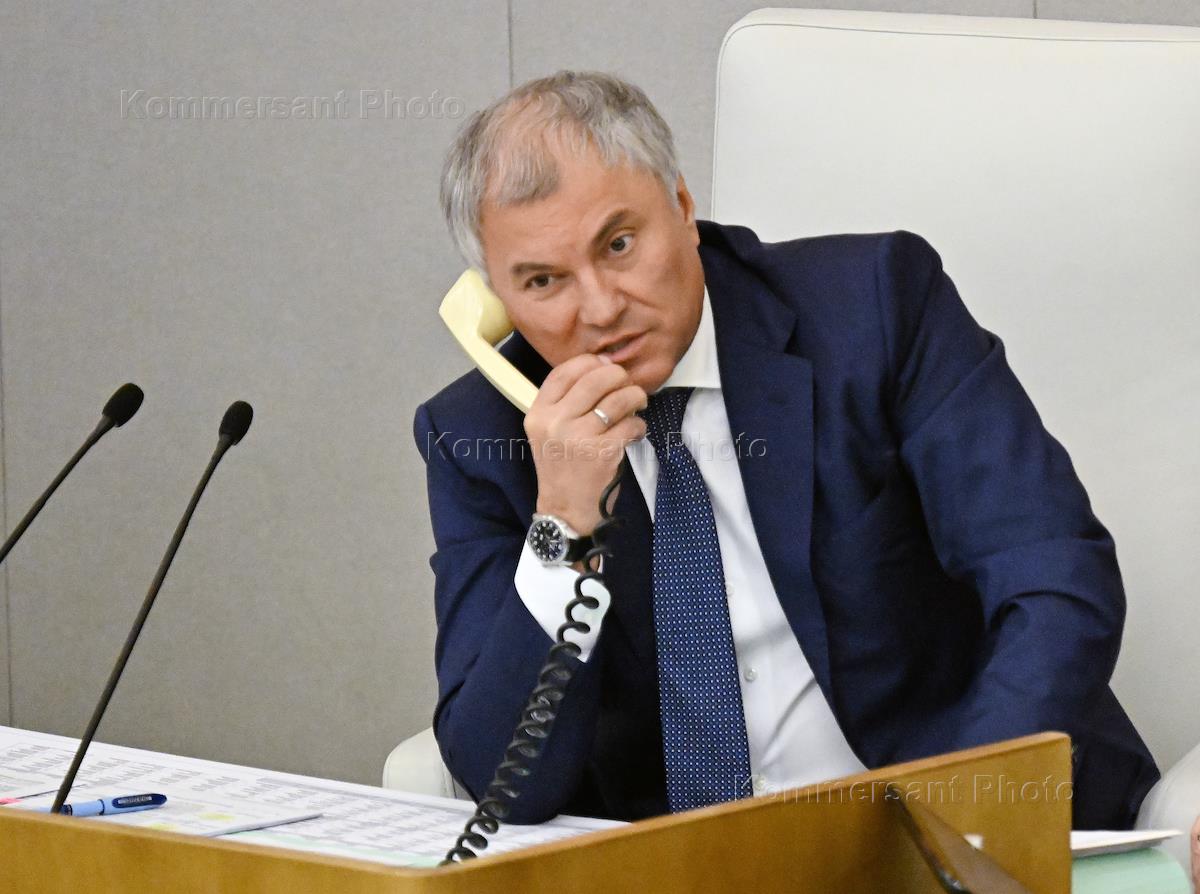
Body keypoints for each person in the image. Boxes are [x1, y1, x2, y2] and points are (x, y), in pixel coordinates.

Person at [415, 70, 1159, 829]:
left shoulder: (876, 307)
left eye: (620, 244)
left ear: (682, 206)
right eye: (544, 281)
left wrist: (958, 822)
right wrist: (564, 527)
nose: (601, 309)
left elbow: (1055, 578)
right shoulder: (481, 437)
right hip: (689, 869)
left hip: (948, 825)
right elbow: (506, 785)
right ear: (498, 299)